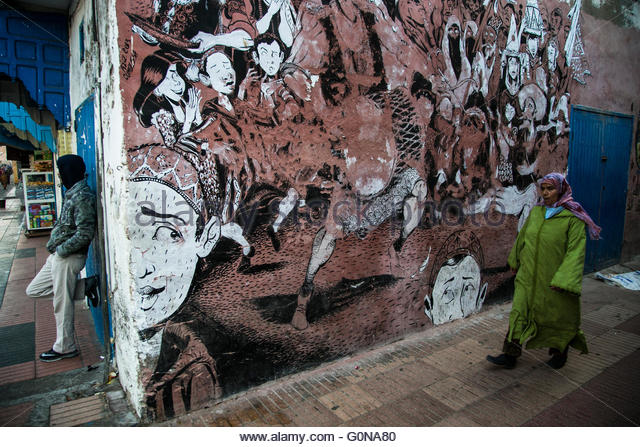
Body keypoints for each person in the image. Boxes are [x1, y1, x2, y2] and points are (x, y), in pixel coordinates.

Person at [487, 172, 601, 370]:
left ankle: (560, 352)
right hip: (528, 275)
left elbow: (575, 252)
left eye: (551, 189)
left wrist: (564, 279)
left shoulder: (573, 218)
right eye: (543, 189)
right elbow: (523, 237)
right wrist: (515, 259)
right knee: (519, 312)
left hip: (553, 279)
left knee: (556, 316)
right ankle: (510, 355)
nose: (546, 193)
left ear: (561, 190)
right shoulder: (537, 212)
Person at [26, 155, 97, 362]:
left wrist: (62, 250)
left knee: (62, 303)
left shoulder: (82, 197)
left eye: (62, 171)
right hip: (59, 256)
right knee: (34, 289)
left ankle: (65, 346)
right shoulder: (72, 193)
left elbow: (85, 233)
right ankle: (85, 287)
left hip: (68, 257)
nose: (60, 175)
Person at [133, 51, 203, 147]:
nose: (177, 82)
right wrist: (189, 120)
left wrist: (197, 114)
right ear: (157, 89)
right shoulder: (161, 115)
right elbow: (173, 147)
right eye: (168, 77)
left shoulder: (185, 103)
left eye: (176, 74)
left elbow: (202, 135)